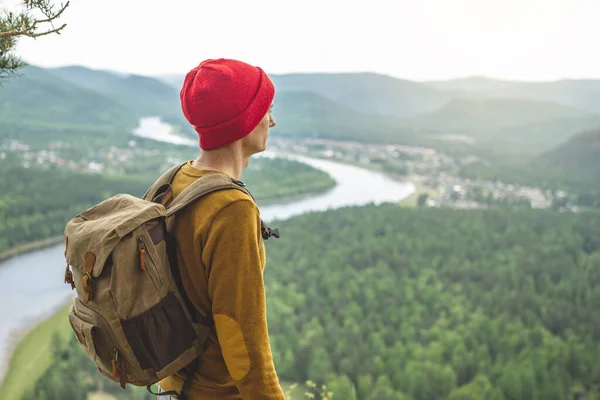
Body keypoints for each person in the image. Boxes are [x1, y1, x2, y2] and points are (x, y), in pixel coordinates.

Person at [157, 58, 285, 399]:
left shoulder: (175, 180)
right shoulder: (232, 208)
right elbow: (242, 336)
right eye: (266, 109)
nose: (272, 120)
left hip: (171, 386)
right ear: (244, 120)